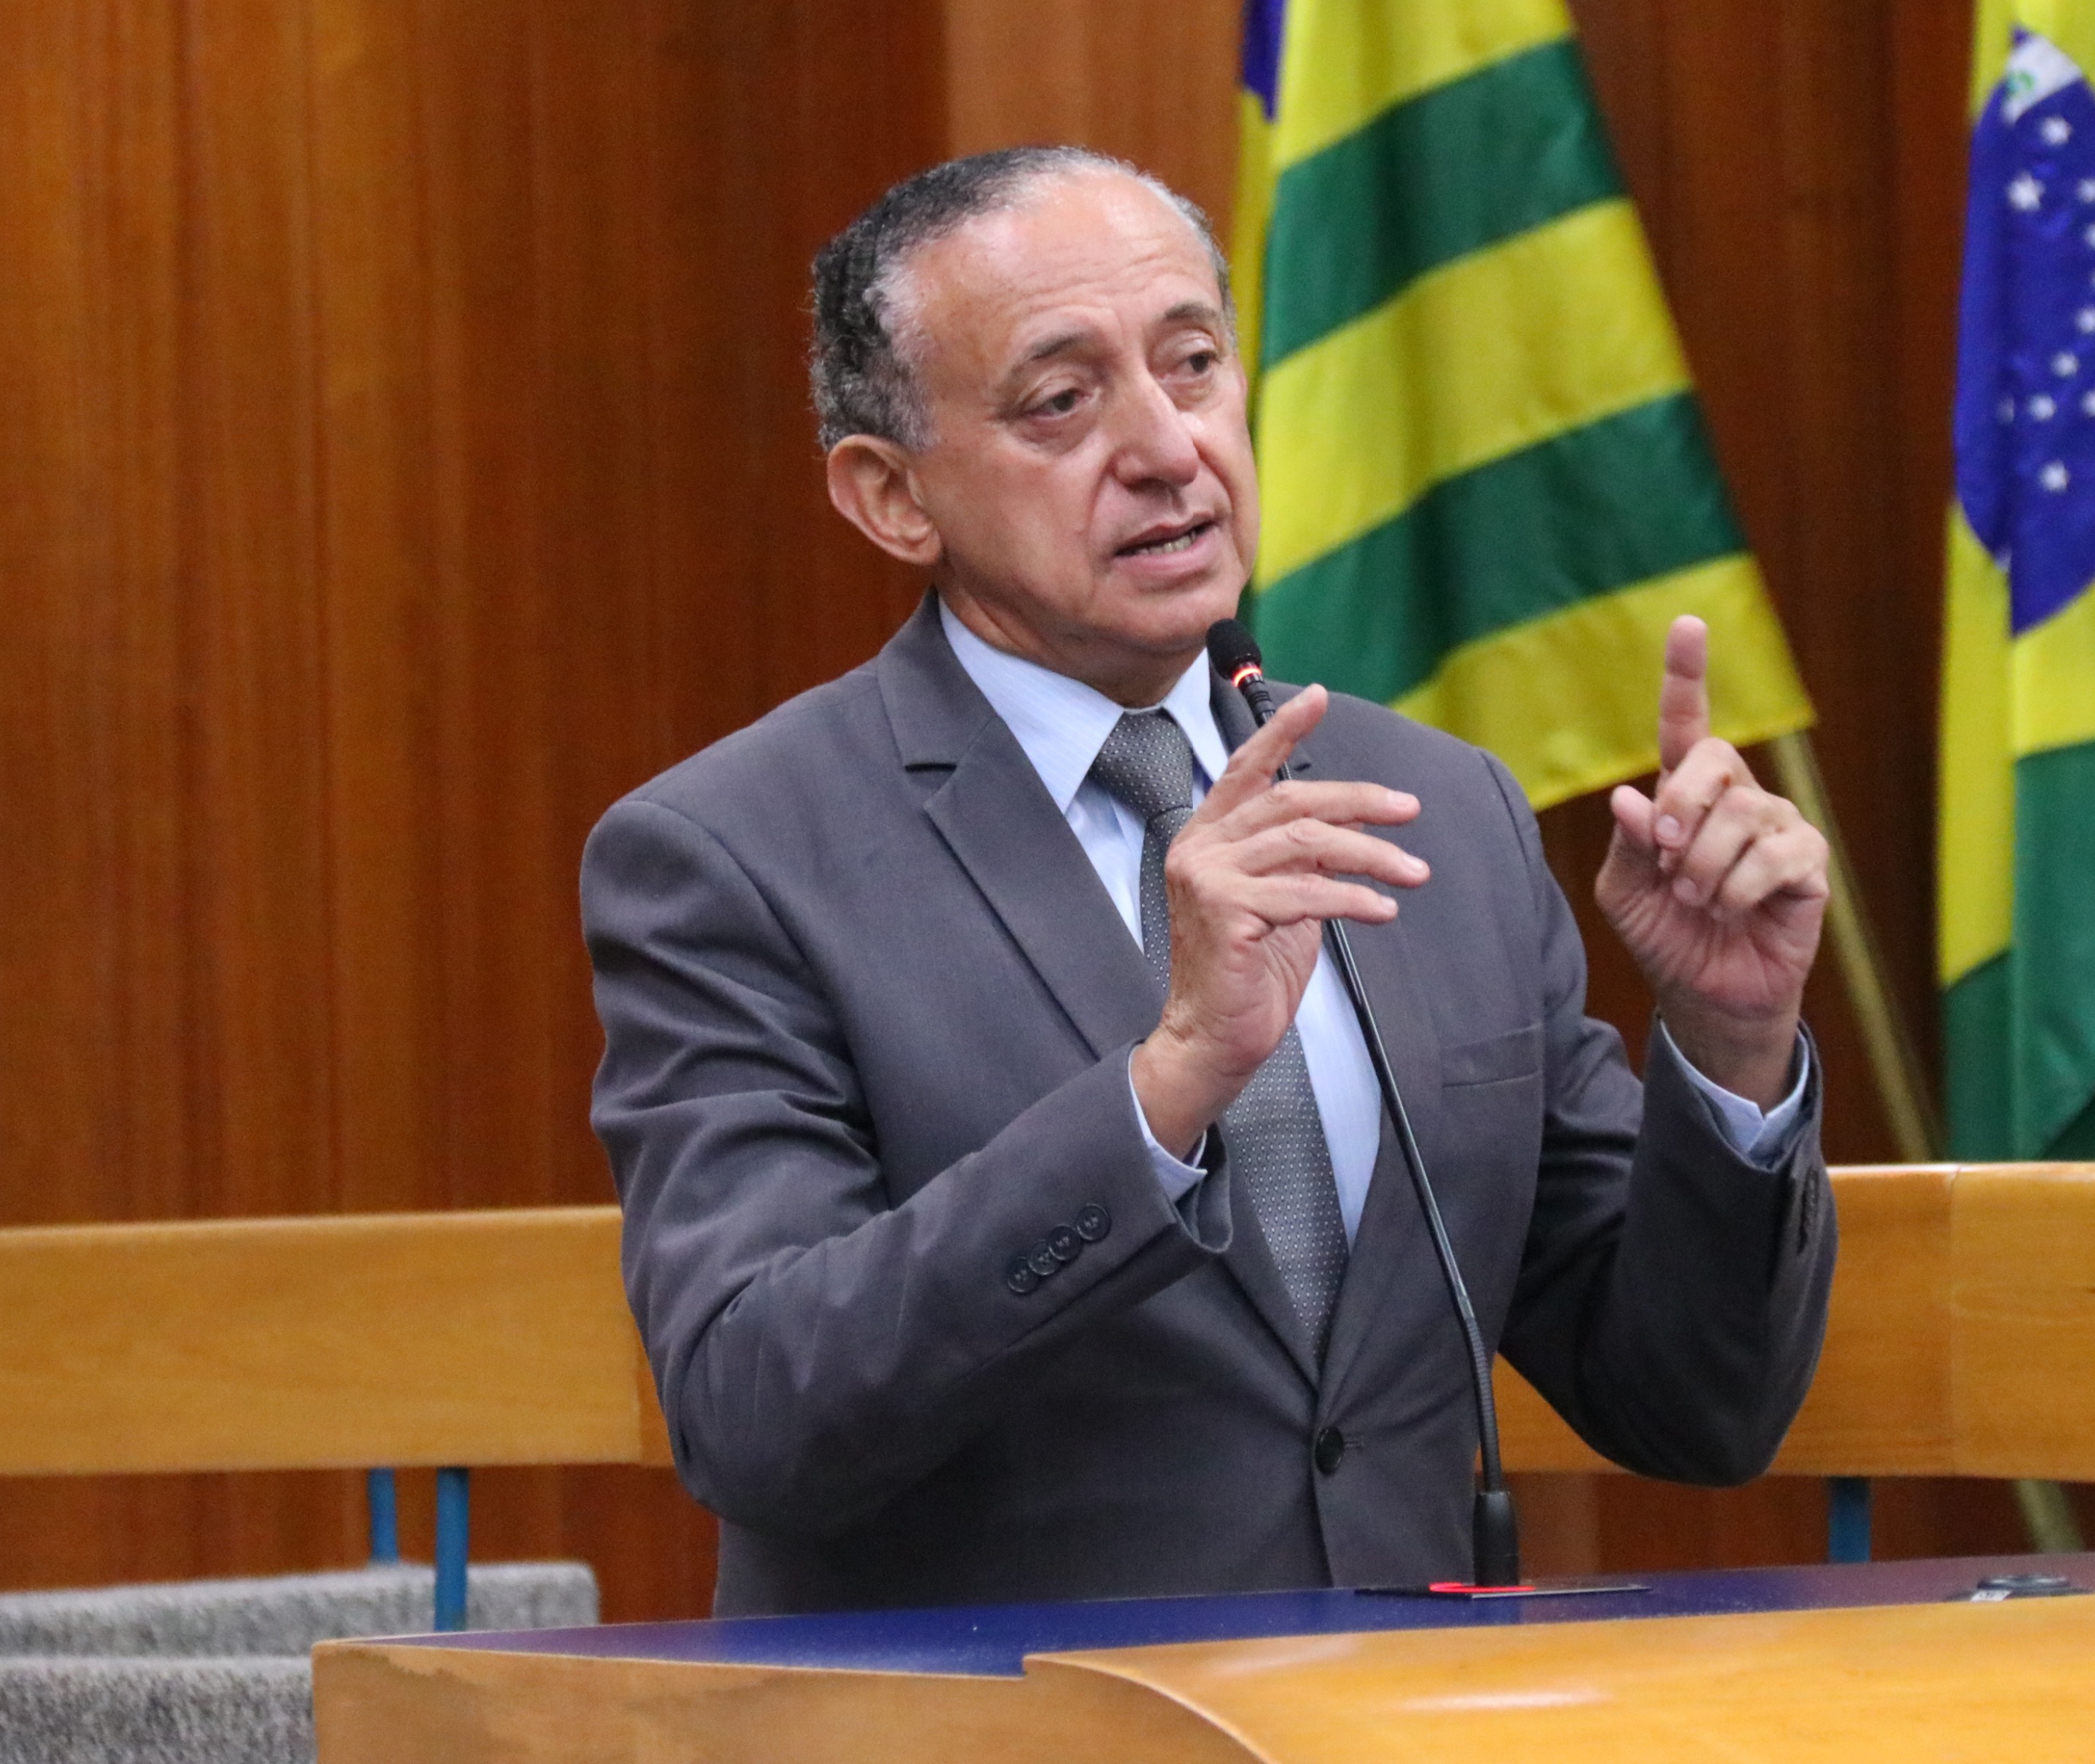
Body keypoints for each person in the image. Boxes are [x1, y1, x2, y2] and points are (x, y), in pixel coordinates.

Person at [582, 147, 1836, 1617]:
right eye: (1062, 400)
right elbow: (754, 1409)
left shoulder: (1440, 809)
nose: (1167, 445)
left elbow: (1693, 1403)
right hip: (1007, 1718)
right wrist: (1168, 1083)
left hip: (1394, 1709)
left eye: (1192, 364)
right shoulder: (732, 856)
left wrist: (1732, 1042)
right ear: (892, 497)